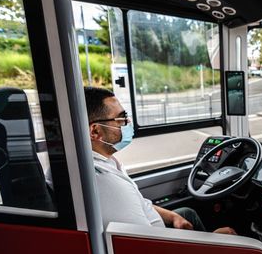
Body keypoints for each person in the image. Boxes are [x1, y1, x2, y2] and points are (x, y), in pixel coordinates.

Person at [84, 87, 235, 234]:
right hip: (161, 250)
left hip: (157, 235)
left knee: (186, 213)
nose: (127, 122)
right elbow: (148, 248)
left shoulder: (107, 161)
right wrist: (215, 239)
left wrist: (173, 216)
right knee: (228, 237)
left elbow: (140, 203)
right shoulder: (106, 181)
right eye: (121, 119)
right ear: (95, 131)